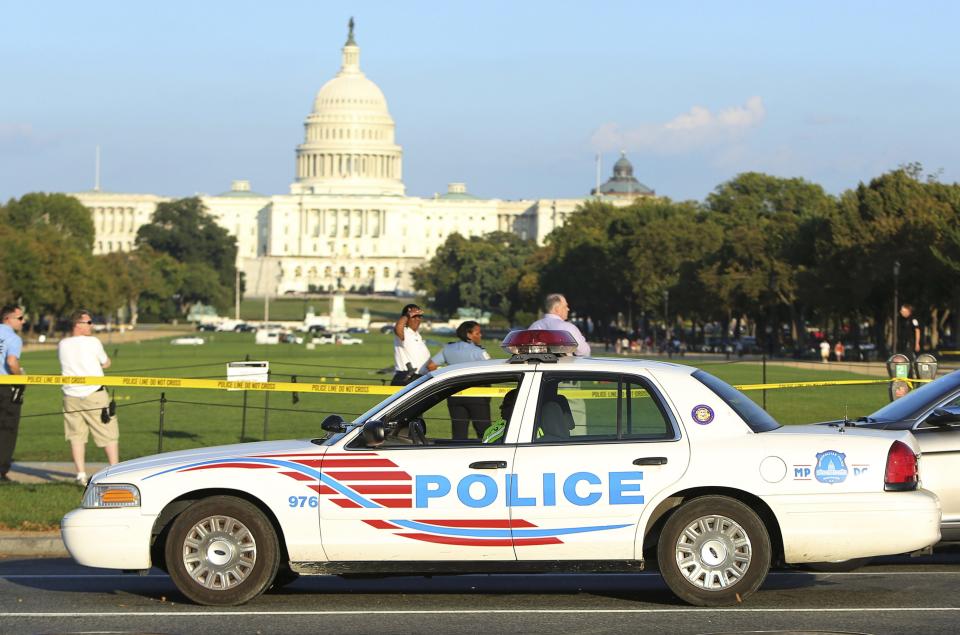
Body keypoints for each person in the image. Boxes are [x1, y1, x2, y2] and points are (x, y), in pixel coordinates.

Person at [58, 310, 119, 486]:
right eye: (88, 322)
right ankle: (115, 471)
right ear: (78, 324)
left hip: (70, 395)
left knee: (76, 436)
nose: (91, 325)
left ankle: (80, 475)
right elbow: (105, 362)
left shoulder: (62, 343)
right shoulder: (93, 342)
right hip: (94, 394)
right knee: (108, 434)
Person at [426, 321, 492, 440]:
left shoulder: (448, 348)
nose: (480, 335)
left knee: (458, 434)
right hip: (478, 396)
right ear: (469, 334)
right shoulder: (479, 351)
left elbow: (431, 366)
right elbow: (492, 370)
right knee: (485, 434)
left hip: (454, 395)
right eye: (478, 333)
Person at [0, 305, 25, 482]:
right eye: (20, 318)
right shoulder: (13, 338)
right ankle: (1, 470)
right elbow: (11, 361)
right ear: (8, 319)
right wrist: (20, 378)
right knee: (7, 429)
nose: (23, 322)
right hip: (5, 387)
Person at [391, 303, 431, 386]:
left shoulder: (417, 335)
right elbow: (398, 329)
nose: (417, 319)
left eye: (419, 316)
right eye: (413, 316)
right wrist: (407, 315)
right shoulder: (405, 332)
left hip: (419, 378)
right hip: (407, 377)